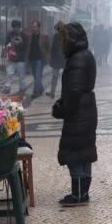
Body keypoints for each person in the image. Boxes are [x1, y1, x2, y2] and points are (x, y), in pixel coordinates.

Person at [52, 22, 98, 207]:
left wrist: (60, 109)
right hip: (86, 110)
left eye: (63, 38)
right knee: (84, 152)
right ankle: (83, 193)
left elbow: (73, 92)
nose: (62, 42)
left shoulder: (77, 59)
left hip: (78, 112)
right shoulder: (86, 55)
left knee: (75, 152)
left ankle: (77, 195)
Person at [27, 21, 50, 99]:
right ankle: (41, 88)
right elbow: (28, 47)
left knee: (38, 76)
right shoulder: (30, 37)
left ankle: (36, 92)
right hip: (31, 59)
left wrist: (46, 57)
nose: (34, 28)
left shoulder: (44, 37)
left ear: (39, 27)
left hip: (40, 60)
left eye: (35, 26)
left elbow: (48, 48)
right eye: (33, 26)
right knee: (35, 76)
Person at [4, 20, 27, 94]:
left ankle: (22, 88)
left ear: (20, 27)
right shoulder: (9, 34)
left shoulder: (23, 35)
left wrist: (21, 43)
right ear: (12, 27)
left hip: (20, 58)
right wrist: (11, 42)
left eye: (18, 27)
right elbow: (6, 44)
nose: (16, 29)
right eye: (14, 27)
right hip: (11, 58)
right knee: (9, 73)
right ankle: (7, 88)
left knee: (21, 74)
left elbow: (26, 46)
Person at [47, 22, 66, 99]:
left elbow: (54, 49)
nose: (55, 31)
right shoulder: (58, 36)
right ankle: (52, 92)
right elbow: (53, 49)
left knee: (58, 77)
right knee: (58, 77)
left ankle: (53, 92)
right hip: (60, 60)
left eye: (56, 29)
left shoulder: (63, 37)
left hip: (60, 60)